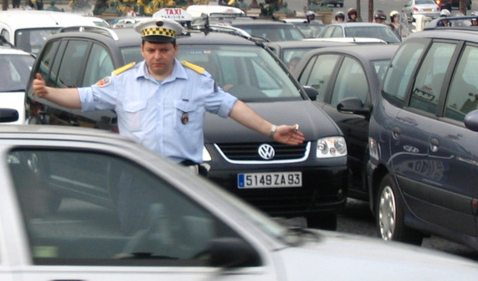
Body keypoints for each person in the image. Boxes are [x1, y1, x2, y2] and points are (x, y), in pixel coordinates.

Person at [31, 18, 305, 171]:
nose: (157, 56)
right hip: (137, 176)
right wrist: (49, 92)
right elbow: (85, 98)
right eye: (151, 50)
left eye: (163, 50)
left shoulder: (197, 81)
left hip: (183, 178)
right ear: (142, 50)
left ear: (175, 49)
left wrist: (271, 131)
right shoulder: (123, 80)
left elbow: (232, 107)